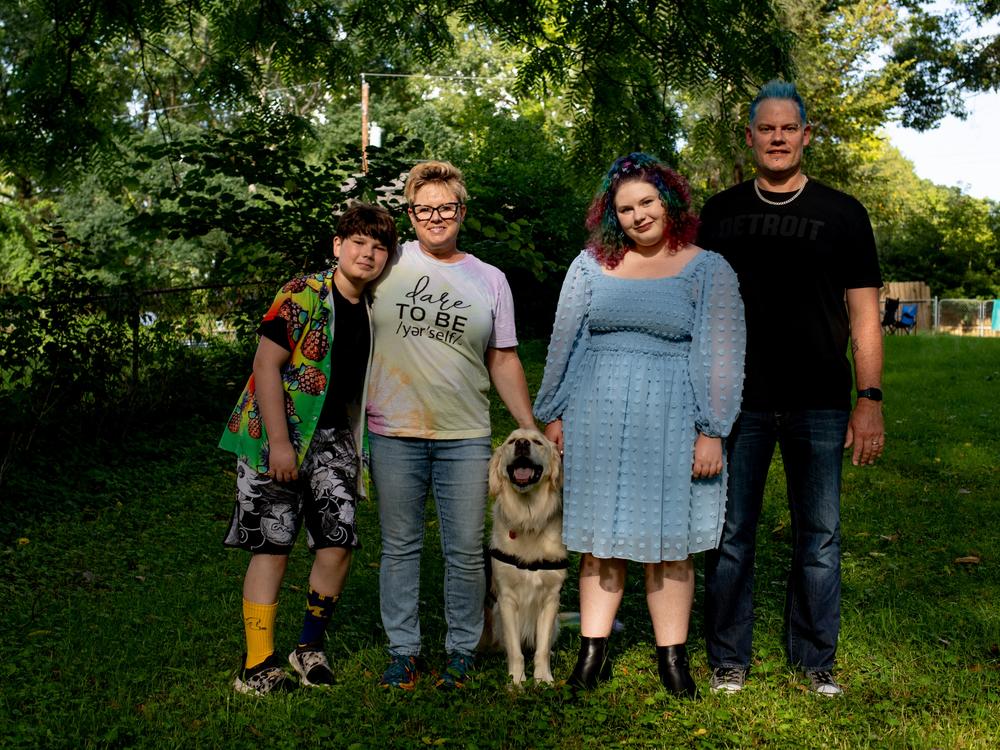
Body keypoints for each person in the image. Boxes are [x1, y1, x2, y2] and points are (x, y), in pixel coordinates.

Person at [533, 153, 746, 697]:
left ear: (668, 201)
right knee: (598, 540)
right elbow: (565, 339)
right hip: (594, 410)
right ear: (613, 216)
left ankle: (672, 661)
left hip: (673, 414)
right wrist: (552, 412)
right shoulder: (589, 265)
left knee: (669, 541)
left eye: (647, 202)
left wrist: (712, 428)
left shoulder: (708, 267)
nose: (638, 216)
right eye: (625, 209)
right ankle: (591, 654)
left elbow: (722, 351)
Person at [699, 79, 885, 697]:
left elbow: (864, 314)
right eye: (765, 128)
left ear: (806, 136)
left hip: (821, 401)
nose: (777, 138)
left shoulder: (843, 213)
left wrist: (870, 398)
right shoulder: (720, 214)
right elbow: (695, 308)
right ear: (750, 137)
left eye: (788, 128)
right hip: (738, 401)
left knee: (821, 537)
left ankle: (814, 660)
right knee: (730, 535)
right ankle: (729, 657)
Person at [365, 160, 536, 689]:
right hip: (392, 430)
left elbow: (503, 359)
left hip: (464, 434)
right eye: (423, 208)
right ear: (410, 213)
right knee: (400, 546)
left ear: (461, 211)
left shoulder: (490, 280)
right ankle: (403, 650)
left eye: (445, 207)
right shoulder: (385, 266)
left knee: (464, 549)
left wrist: (528, 427)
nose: (434, 217)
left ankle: (461, 649)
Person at [219, 203, 397, 695]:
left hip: (335, 437)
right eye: (358, 242)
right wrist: (280, 444)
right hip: (275, 434)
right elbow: (265, 365)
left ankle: (308, 647)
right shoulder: (302, 294)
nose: (368, 253)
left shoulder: (374, 306)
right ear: (338, 246)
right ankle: (256, 665)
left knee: (338, 543)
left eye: (379, 246)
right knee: (274, 544)